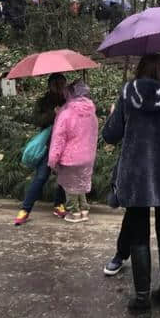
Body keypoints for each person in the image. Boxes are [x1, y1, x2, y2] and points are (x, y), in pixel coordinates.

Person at [103, 54, 160, 313]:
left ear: (141, 69)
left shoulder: (127, 94)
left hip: (135, 176)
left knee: (138, 236)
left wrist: (114, 114)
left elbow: (110, 135)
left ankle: (141, 299)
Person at [14, 73, 68, 226]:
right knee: (41, 176)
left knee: (63, 177)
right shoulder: (43, 101)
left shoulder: (69, 100)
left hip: (65, 144)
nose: (59, 87)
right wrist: (53, 113)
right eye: (56, 84)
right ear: (50, 85)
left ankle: (59, 204)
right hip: (48, 145)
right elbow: (37, 120)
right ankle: (25, 209)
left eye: (62, 84)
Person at [47, 80, 98, 223]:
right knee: (80, 184)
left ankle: (74, 213)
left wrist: (52, 160)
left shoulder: (66, 113)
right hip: (87, 156)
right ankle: (84, 210)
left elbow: (59, 139)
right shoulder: (91, 112)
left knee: (70, 187)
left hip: (70, 158)